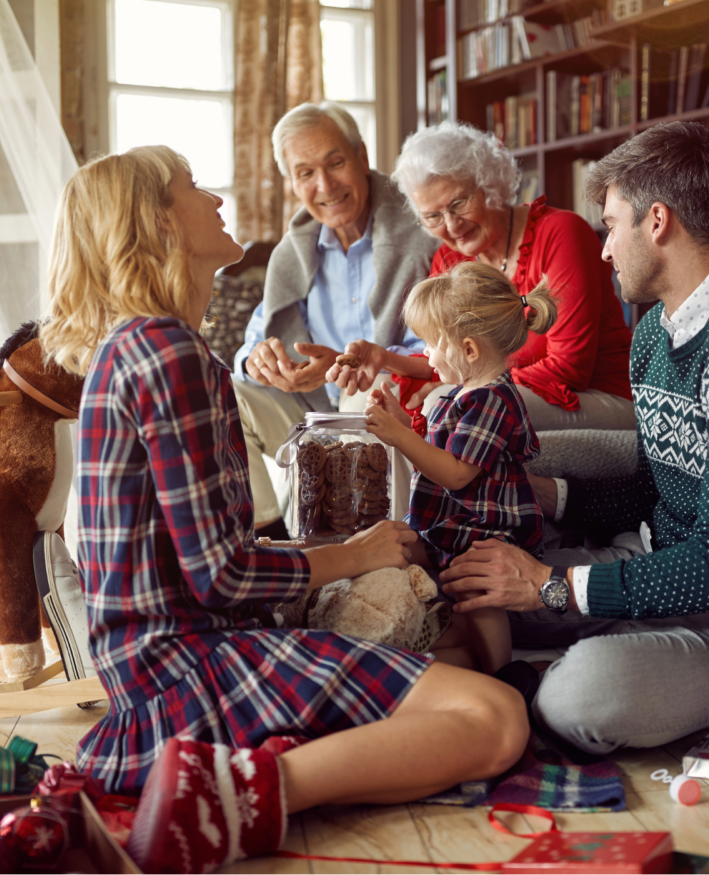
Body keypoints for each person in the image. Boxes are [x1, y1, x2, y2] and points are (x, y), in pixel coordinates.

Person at [40, 146, 528, 867]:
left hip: (155, 663)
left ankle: (247, 767)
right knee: (494, 715)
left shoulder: (141, 344)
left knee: (453, 672)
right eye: (193, 188)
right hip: (180, 671)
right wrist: (355, 554)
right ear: (158, 225)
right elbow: (222, 576)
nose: (215, 200)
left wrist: (334, 558)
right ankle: (232, 793)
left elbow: (206, 564)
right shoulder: (167, 350)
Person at [438, 122, 709, 756]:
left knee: (578, 697)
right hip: (650, 561)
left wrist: (549, 584)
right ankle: (544, 669)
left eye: (610, 225)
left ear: (657, 222)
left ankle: (545, 680)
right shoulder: (655, 331)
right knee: (470, 597)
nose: (603, 250)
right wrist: (547, 494)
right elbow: (653, 487)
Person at [328, 121, 635, 431]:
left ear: (489, 183)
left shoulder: (561, 234)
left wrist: (456, 391)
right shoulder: (450, 259)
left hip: (593, 397)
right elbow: (447, 359)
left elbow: (567, 369)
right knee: (367, 397)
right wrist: (384, 358)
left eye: (458, 204)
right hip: (505, 389)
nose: (451, 224)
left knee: (448, 406)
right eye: (433, 216)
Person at [230, 102, 439, 528]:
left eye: (336, 162)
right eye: (306, 172)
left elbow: (440, 345)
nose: (325, 184)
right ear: (292, 182)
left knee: (368, 389)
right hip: (309, 413)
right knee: (227, 395)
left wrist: (344, 367)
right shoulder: (294, 251)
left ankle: (377, 546)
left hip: (387, 402)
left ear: (362, 156)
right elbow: (254, 342)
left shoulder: (421, 231)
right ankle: (271, 539)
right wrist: (260, 362)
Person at [363, 262, 557, 675]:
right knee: (392, 548)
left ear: (469, 349)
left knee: (477, 589)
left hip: (483, 529)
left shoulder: (492, 399)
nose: (426, 355)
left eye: (431, 344)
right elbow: (439, 446)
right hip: (450, 522)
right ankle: (437, 642)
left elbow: (455, 473)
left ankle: (503, 673)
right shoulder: (461, 394)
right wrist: (402, 423)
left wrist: (401, 439)